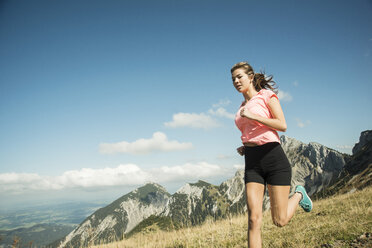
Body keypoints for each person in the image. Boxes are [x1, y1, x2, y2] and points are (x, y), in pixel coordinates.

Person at [231, 62, 312, 248]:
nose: (236, 81)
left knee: (280, 220)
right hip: (252, 163)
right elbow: (252, 132)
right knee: (253, 219)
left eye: (239, 77)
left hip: (274, 159)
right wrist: (246, 146)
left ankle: (299, 194)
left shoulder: (267, 96)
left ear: (250, 77)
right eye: (233, 79)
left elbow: (282, 125)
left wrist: (253, 116)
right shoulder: (241, 106)